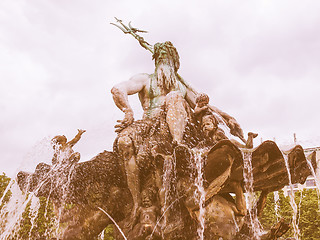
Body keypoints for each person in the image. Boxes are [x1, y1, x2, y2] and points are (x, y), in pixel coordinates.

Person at [111, 41, 244, 221]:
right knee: (124, 142)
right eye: (160, 58)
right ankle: (136, 203)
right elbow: (118, 89)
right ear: (156, 62)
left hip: (177, 129)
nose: (163, 62)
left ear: (175, 63)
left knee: (173, 97)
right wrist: (127, 110)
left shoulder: (181, 88)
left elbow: (202, 106)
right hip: (149, 123)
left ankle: (178, 144)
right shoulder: (145, 79)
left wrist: (227, 118)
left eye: (167, 58)